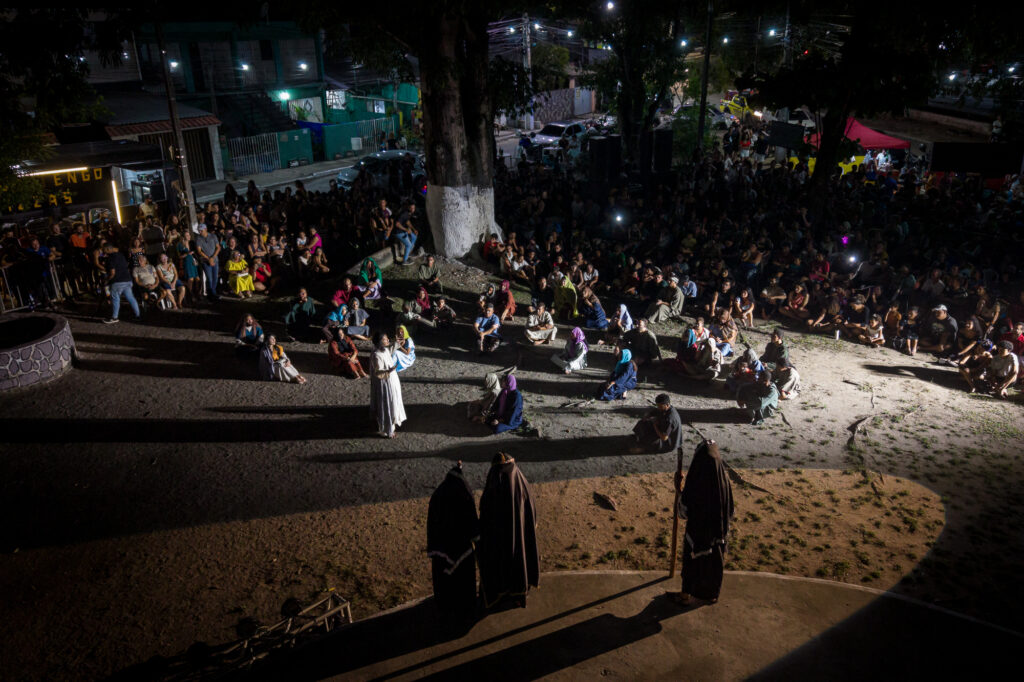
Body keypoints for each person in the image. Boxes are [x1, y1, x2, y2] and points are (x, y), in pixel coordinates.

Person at [669, 439, 734, 606]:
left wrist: (678, 489)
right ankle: (711, 594)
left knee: (692, 562)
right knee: (714, 563)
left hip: (698, 534)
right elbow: (730, 510)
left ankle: (685, 595)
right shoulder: (722, 480)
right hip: (718, 533)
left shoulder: (697, 481)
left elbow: (683, 511)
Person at [477, 452, 539, 609]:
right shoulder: (522, 483)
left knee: (499, 565)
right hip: (519, 539)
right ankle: (519, 594)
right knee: (519, 560)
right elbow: (531, 513)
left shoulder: (493, 488)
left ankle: (500, 594)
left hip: (498, 541)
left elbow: (485, 517)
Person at [427, 462, 480, 621]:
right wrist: (477, 539)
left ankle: (445, 608)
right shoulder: (464, 492)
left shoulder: (437, 494)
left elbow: (432, 523)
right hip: (461, 548)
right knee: (462, 582)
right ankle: (464, 610)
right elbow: (471, 520)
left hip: (441, 549)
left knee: (444, 582)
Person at [370, 331, 407, 438]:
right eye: (385, 339)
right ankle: (388, 430)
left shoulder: (384, 350)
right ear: (380, 341)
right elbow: (378, 372)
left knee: (393, 402)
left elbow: (390, 349)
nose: (387, 340)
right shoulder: (376, 355)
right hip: (385, 384)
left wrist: (398, 343)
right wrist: (388, 371)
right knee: (387, 405)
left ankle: (391, 426)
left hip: (391, 381)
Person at [102, 243, 141, 324]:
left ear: (108, 249)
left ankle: (115, 317)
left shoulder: (110, 258)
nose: (103, 252)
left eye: (104, 250)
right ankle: (138, 315)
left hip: (117, 281)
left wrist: (107, 280)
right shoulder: (120, 255)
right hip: (127, 279)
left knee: (115, 299)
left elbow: (112, 272)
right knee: (131, 298)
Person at [195, 223, 221, 301]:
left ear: (206, 229)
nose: (200, 232)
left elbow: (218, 247)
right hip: (205, 261)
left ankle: (213, 293)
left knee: (215, 278)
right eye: (199, 231)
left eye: (201, 230)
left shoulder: (213, 236)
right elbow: (199, 251)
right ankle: (212, 294)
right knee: (209, 278)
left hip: (215, 260)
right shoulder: (198, 238)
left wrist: (213, 257)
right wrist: (208, 259)